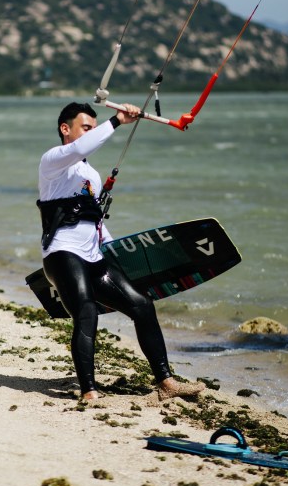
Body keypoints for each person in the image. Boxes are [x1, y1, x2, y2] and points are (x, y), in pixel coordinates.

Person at [38, 101, 205, 402]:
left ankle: (166, 383)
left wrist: (117, 253)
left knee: (142, 305)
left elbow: (96, 223)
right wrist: (115, 121)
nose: (91, 133)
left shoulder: (92, 175)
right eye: (85, 127)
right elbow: (79, 149)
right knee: (87, 312)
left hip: (93, 257)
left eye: (92, 127)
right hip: (62, 254)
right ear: (65, 129)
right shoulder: (53, 161)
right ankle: (89, 390)